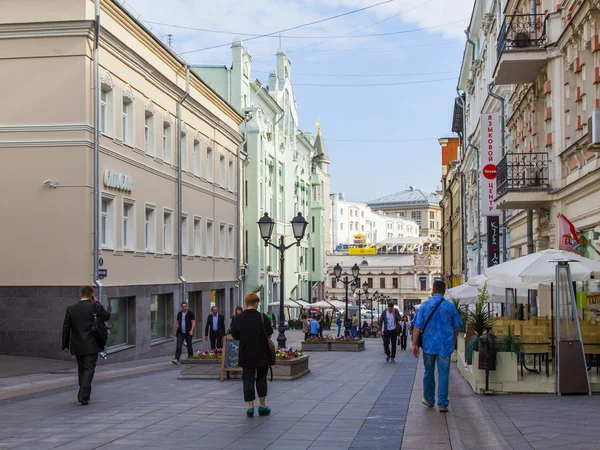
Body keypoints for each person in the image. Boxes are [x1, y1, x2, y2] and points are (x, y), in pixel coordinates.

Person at [412, 280, 462, 413]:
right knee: (444, 373)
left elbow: (417, 327)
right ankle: (443, 403)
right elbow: (456, 327)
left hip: (429, 344)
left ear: (433, 290)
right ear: (444, 291)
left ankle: (429, 399)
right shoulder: (450, 307)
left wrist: (414, 344)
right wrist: (454, 340)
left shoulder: (425, 305)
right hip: (445, 344)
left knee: (429, 372)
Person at [62, 285, 110, 405]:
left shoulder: (71, 308)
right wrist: (97, 302)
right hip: (92, 344)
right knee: (89, 369)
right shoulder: (95, 307)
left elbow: (66, 328)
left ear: (81, 294)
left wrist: (65, 345)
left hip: (77, 345)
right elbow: (106, 316)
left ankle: (84, 393)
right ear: (91, 295)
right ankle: (83, 394)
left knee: (81, 368)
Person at [231, 293, 273, 418]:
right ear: (256, 303)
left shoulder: (239, 318)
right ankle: (262, 405)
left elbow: (235, 335)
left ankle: (250, 407)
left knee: (247, 379)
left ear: (246, 303)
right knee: (261, 378)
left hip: (246, 353)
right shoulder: (262, 317)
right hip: (261, 353)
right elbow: (269, 333)